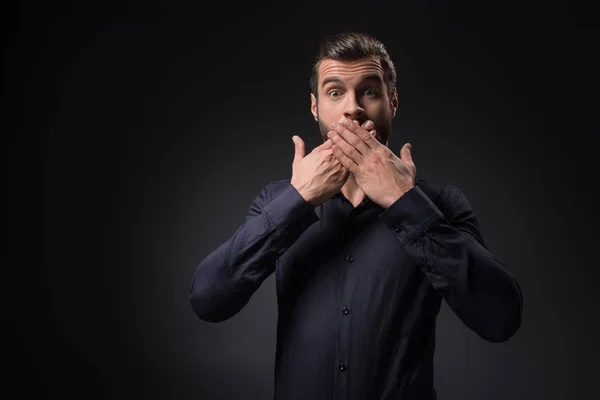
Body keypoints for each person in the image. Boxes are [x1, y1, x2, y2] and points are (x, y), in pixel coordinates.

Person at [189, 32, 523, 400]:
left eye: (369, 91)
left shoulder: (440, 203)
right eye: (335, 92)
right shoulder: (276, 199)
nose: (353, 108)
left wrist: (403, 201)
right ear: (315, 108)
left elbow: (500, 319)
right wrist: (299, 200)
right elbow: (207, 300)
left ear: (392, 103)